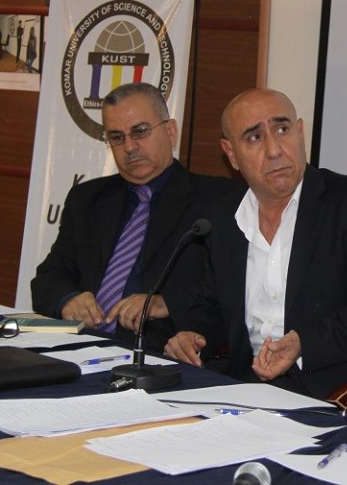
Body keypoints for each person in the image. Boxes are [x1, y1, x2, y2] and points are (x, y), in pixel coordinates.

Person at [164, 88, 347, 399]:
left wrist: (303, 343)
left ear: (300, 132)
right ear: (231, 154)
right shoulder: (222, 216)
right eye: (254, 138)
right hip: (249, 389)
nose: (274, 150)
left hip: (340, 393)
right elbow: (211, 306)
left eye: (282, 130)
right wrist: (195, 335)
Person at [32, 82, 234, 352]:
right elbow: (48, 278)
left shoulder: (218, 202)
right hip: (80, 346)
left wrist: (167, 302)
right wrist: (67, 300)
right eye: (116, 137)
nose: (129, 146)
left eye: (140, 131)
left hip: (157, 353)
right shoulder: (87, 199)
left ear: (171, 131)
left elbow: (234, 292)